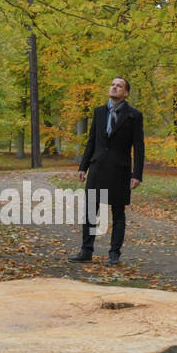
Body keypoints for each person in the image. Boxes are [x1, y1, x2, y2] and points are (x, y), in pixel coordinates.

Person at [68, 76, 143, 265]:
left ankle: (114, 254)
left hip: (120, 170)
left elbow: (139, 146)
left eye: (119, 86)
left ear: (126, 93)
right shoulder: (99, 112)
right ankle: (86, 251)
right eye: (113, 84)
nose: (115, 87)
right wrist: (83, 167)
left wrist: (137, 174)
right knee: (91, 211)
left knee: (118, 212)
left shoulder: (134, 115)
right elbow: (92, 141)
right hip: (97, 168)